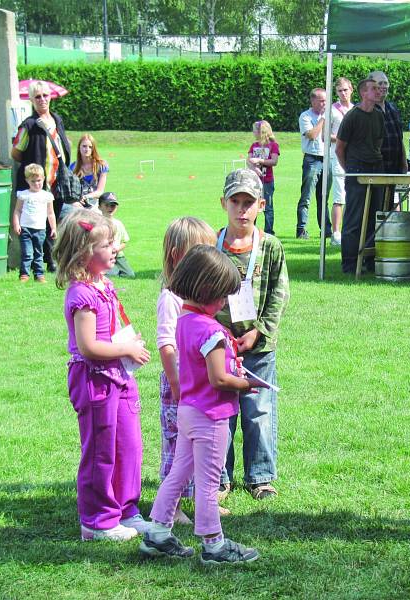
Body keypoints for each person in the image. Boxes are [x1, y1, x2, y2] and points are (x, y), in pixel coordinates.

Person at [141, 245, 262, 565]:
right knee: (208, 483)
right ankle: (214, 544)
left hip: (188, 411)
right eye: (222, 296)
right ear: (208, 290)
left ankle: (158, 533)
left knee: (178, 473)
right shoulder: (210, 329)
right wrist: (249, 384)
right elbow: (219, 379)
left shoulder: (184, 320)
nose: (224, 303)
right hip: (211, 416)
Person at [53, 209, 153, 541]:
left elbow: (109, 333)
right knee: (100, 451)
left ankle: (127, 510)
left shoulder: (104, 284)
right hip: (95, 381)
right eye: (107, 244)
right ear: (84, 251)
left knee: (128, 445)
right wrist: (125, 350)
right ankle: (97, 520)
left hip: (119, 378)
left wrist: (128, 342)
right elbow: (89, 346)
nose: (115, 249)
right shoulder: (81, 294)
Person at [215, 169, 289, 501]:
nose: (242, 210)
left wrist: (259, 332)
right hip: (218, 347)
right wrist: (217, 336)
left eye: (249, 203)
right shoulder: (212, 245)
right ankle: (219, 477)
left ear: (261, 204)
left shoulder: (270, 247)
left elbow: (279, 294)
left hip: (258, 348)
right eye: (235, 202)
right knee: (220, 413)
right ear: (224, 203)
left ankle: (260, 476)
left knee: (259, 411)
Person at [157, 217, 218, 526]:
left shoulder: (198, 299)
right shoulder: (171, 298)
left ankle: (204, 499)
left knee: (200, 441)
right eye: (200, 252)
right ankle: (173, 506)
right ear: (177, 256)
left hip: (198, 384)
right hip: (180, 386)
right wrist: (177, 384)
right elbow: (166, 345)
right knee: (177, 444)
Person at [11, 80, 71, 272]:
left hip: (57, 180)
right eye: (38, 96)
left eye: (45, 95)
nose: (42, 99)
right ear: (31, 100)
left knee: (54, 219)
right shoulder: (28, 125)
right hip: (36, 182)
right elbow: (16, 152)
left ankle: (52, 258)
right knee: (37, 222)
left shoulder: (57, 120)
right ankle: (43, 262)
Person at [336, 78, 385, 275]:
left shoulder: (379, 116)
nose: (379, 91)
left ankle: (370, 260)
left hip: (376, 167)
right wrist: (350, 169)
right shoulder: (352, 117)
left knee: (375, 215)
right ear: (363, 93)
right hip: (357, 170)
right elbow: (340, 148)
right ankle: (349, 263)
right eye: (374, 88)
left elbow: (378, 142)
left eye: (379, 88)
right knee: (354, 217)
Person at [297, 88, 332, 239]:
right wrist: (323, 120)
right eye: (322, 100)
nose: (325, 103)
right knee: (306, 197)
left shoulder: (331, 115)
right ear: (313, 101)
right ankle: (301, 229)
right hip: (312, 159)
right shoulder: (305, 116)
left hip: (327, 159)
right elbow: (311, 135)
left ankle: (326, 230)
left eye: (326, 100)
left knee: (324, 197)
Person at [11, 163, 56, 283]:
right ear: (27, 181)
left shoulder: (47, 196)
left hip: (40, 229)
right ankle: (24, 274)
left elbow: (50, 213)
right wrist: (16, 224)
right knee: (27, 253)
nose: (36, 184)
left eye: (39, 180)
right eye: (33, 181)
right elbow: (17, 210)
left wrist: (53, 228)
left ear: (43, 179)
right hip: (25, 228)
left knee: (38, 253)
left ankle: (39, 274)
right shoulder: (23, 195)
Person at [329, 77, 354, 246]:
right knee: (339, 193)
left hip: (354, 155)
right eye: (340, 91)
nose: (343, 93)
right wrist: (341, 140)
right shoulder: (332, 110)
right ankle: (336, 232)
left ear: (351, 90)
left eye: (345, 90)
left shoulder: (356, 109)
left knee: (353, 191)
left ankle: (349, 229)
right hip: (337, 154)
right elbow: (325, 134)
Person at [247, 120, 280, 236]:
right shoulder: (254, 146)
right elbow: (249, 160)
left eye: (254, 130)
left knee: (268, 207)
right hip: (254, 182)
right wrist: (253, 167)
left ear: (261, 131)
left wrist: (260, 161)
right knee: (252, 205)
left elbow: (274, 161)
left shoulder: (273, 145)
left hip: (267, 181)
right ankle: (251, 230)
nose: (253, 132)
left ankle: (269, 232)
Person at [97, 192, 134, 278]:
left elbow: (124, 241)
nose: (110, 208)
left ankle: (112, 269)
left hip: (118, 255)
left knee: (130, 274)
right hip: (104, 255)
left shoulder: (118, 223)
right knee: (113, 274)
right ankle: (106, 269)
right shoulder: (97, 223)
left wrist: (117, 249)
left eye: (113, 206)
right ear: (99, 207)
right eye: (106, 205)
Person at [70, 133, 109, 210]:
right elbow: (71, 191)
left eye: (90, 147)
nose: (87, 149)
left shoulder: (101, 165)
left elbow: (100, 191)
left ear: (93, 149)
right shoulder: (73, 167)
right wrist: (75, 202)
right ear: (79, 148)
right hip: (78, 204)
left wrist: (86, 196)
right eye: (84, 146)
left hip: (95, 204)